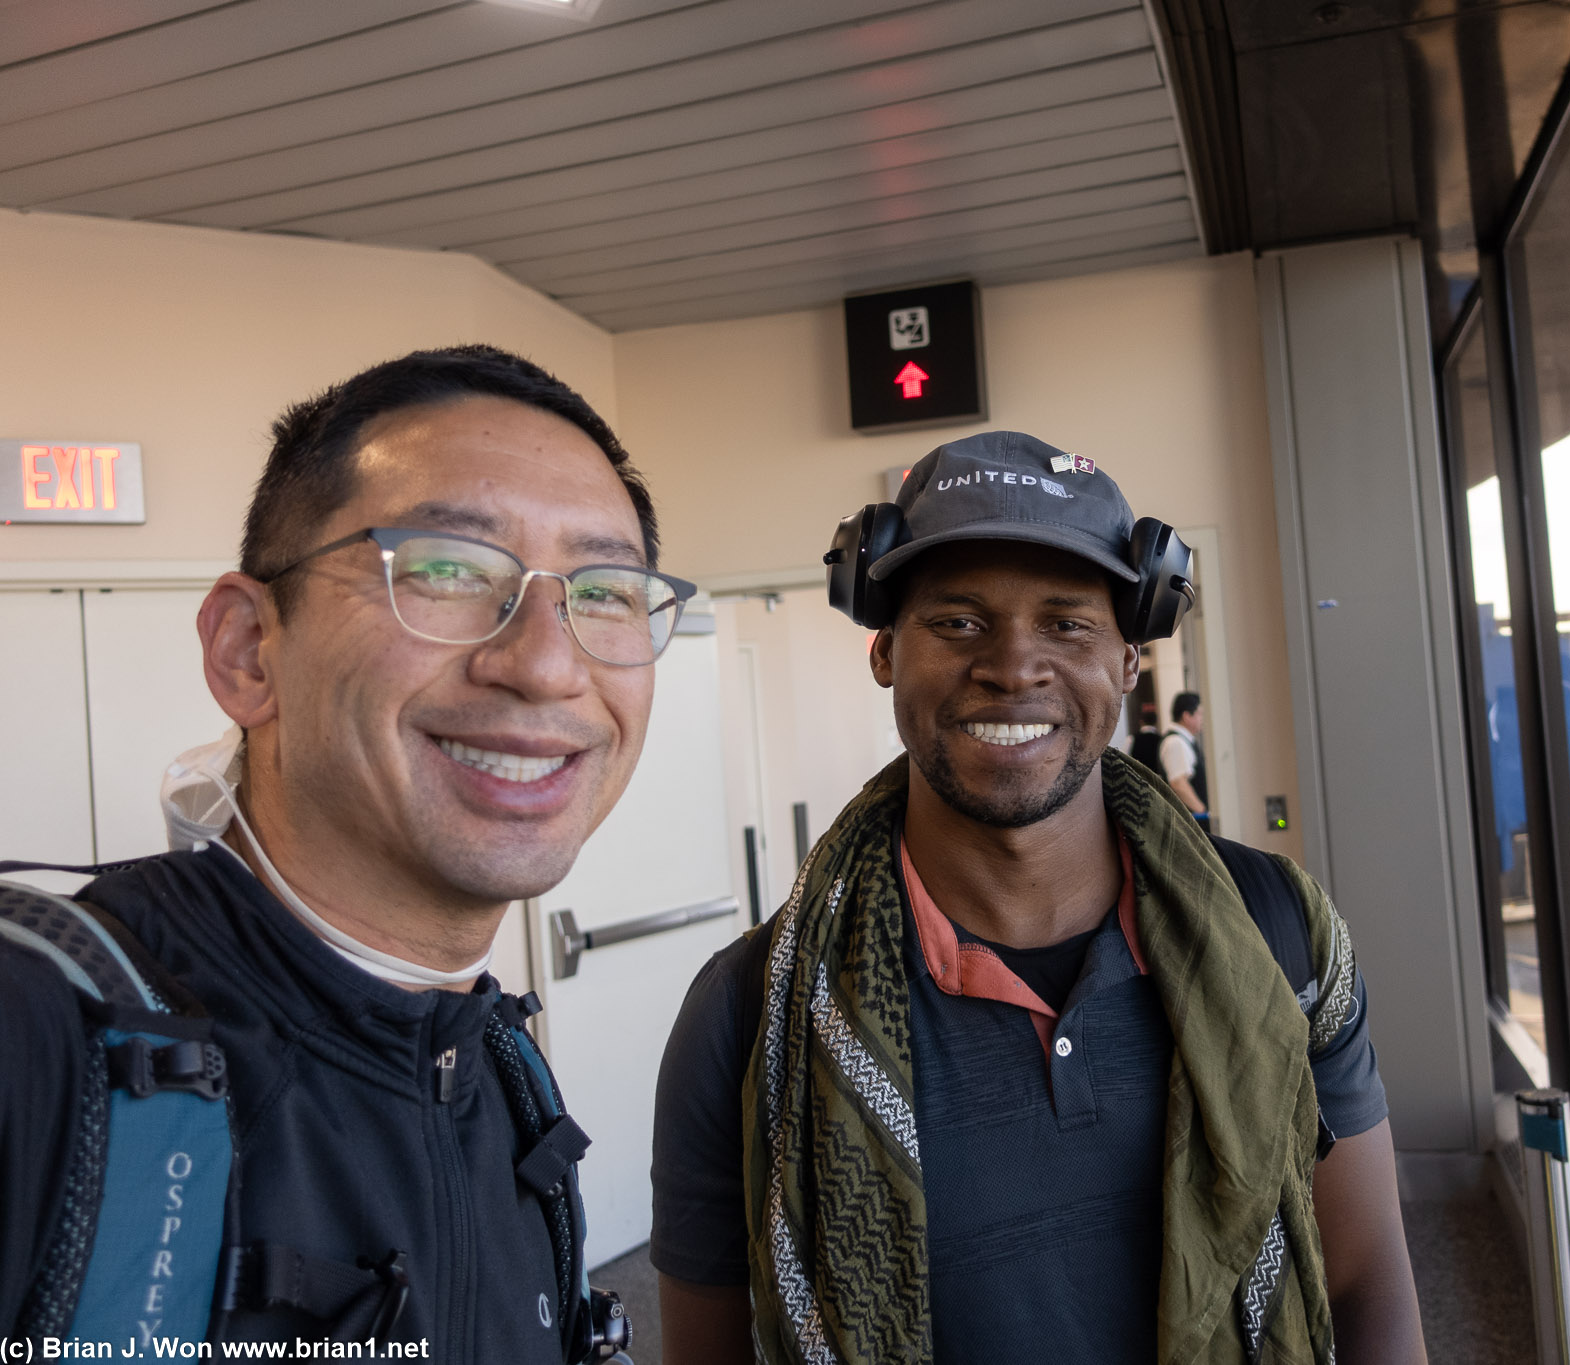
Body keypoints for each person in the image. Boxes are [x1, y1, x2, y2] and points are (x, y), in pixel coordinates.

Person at [652, 430, 1425, 1365]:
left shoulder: (1276, 933)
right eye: (959, 622)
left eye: (1067, 622)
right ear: (885, 650)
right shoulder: (751, 1010)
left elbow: (1366, 1276)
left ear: (1130, 662)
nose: (1014, 665)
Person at [0, 346, 688, 1362]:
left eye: (605, 592)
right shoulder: (38, 1039)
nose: (546, 664)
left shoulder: (496, 1072)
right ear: (248, 651)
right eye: (446, 569)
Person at [1161, 689, 1209, 824]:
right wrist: (1203, 812)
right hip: (1190, 822)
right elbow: (1178, 783)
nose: (1202, 719)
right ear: (1187, 716)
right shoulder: (1175, 742)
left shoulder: (1185, 741)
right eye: (1199, 714)